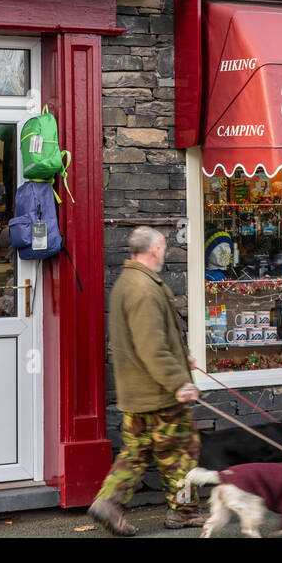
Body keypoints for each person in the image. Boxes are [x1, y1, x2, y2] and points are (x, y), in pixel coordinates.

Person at [88, 226, 207, 535]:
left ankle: (108, 502)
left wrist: (184, 358)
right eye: (164, 248)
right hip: (160, 394)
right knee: (182, 451)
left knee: (136, 451)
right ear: (155, 249)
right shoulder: (144, 288)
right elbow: (151, 346)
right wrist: (179, 382)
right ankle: (183, 511)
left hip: (137, 392)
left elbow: (151, 339)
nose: (165, 253)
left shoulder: (129, 282)